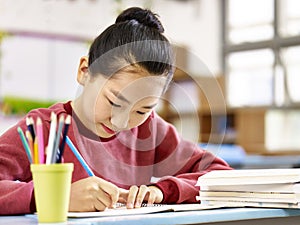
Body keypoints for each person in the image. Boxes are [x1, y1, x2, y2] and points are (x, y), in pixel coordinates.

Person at [0, 7, 231, 215]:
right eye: (115, 102)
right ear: (84, 71)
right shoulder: (43, 129)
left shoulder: (147, 129)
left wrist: (164, 191)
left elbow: (219, 173)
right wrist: (53, 198)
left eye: (141, 110)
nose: (121, 122)